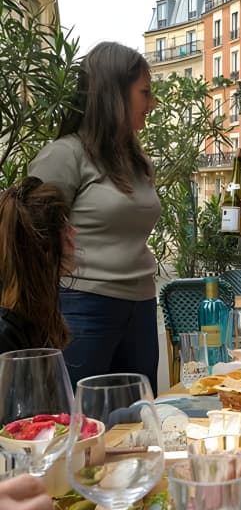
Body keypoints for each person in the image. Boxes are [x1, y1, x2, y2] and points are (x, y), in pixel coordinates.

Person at [29, 41, 161, 394]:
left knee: (138, 424)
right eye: (145, 92)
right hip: (83, 308)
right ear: (113, 94)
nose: (152, 103)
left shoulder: (136, 161)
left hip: (142, 307)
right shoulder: (64, 155)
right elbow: (27, 240)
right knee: (79, 424)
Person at [0, 176, 74, 352]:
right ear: (45, 249)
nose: (74, 233)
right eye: (65, 226)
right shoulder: (7, 333)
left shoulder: (30, 311)